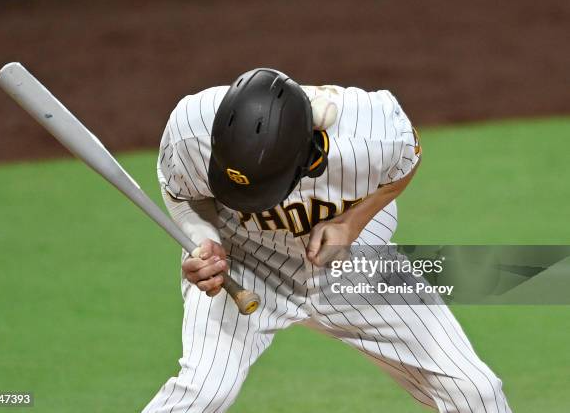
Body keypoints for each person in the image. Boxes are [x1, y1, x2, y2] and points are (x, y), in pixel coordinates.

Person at [142, 68, 511, 412]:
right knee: (204, 391)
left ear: (310, 153)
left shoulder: (373, 131)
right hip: (246, 263)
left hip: (353, 265)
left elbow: (406, 162)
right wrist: (203, 240)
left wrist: (352, 223)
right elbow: (182, 192)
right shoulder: (192, 130)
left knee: (475, 390)